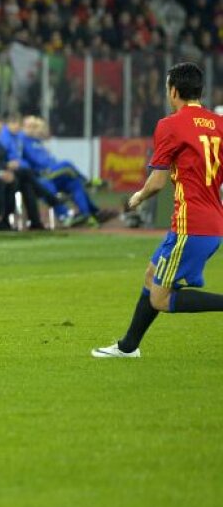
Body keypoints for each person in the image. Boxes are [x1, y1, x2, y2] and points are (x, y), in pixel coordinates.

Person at [94, 63, 223, 358]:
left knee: (161, 298)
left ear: (174, 90)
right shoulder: (219, 124)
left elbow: (156, 182)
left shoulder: (171, 124)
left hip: (191, 226)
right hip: (211, 222)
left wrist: (136, 198)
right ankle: (128, 347)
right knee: (152, 275)